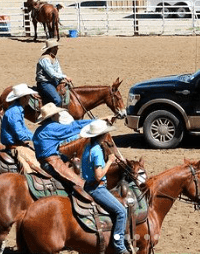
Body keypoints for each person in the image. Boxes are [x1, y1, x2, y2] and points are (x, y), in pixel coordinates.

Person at [32, 102, 101, 199]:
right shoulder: (53, 127)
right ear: (53, 116)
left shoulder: (39, 130)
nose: (59, 115)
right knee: (80, 183)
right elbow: (73, 127)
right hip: (52, 163)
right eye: (58, 114)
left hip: (43, 163)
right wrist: (94, 122)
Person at [81, 120, 129, 254]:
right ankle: (119, 246)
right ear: (101, 136)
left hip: (86, 185)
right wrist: (110, 161)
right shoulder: (96, 150)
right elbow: (98, 175)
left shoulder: (87, 147)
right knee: (121, 212)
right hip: (97, 188)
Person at [1, 83, 40, 173]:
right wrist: (35, 138)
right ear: (23, 98)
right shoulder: (15, 112)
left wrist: (34, 136)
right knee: (35, 169)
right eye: (28, 96)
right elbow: (19, 133)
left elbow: (24, 129)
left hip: (17, 143)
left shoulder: (17, 110)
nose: (30, 99)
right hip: (15, 146)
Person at [35, 39, 72, 107]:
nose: (57, 48)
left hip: (53, 81)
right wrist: (65, 77)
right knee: (57, 100)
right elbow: (52, 74)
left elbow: (58, 70)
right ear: (52, 48)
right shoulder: (45, 59)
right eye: (56, 47)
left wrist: (61, 80)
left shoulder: (54, 58)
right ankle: (50, 116)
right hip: (45, 83)